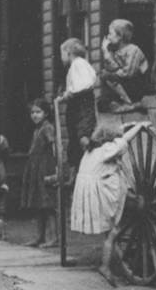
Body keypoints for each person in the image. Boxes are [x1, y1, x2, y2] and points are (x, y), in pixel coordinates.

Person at [69, 126, 137, 287]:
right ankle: (105, 266)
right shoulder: (106, 150)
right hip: (102, 195)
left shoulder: (91, 151)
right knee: (112, 232)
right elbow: (123, 141)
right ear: (109, 141)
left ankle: (119, 264)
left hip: (93, 196)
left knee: (110, 232)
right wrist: (140, 126)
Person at [20, 97, 58, 248]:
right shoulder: (37, 129)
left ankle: (54, 238)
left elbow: (54, 148)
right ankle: (39, 237)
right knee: (38, 204)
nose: (35, 115)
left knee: (48, 204)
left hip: (45, 167)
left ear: (46, 113)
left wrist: (56, 169)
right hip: (35, 168)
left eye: (38, 112)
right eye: (32, 112)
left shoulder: (48, 128)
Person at [60, 38, 98, 175]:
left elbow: (84, 84)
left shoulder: (79, 64)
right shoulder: (74, 67)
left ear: (68, 52)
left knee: (83, 134)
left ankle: (90, 167)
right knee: (74, 137)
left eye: (62, 54)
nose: (61, 58)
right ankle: (77, 172)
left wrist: (68, 94)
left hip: (81, 104)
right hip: (75, 105)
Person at [99, 19, 149, 110]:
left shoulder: (133, 50)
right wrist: (106, 53)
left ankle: (130, 103)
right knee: (105, 75)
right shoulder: (115, 51)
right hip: (124, 83)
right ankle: (124, 102)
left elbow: (128, 73)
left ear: (120, 36)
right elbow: (111, 68)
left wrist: (111, 72)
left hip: (136, 84)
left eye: (110, 34)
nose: (108, 37)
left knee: (108, 76)